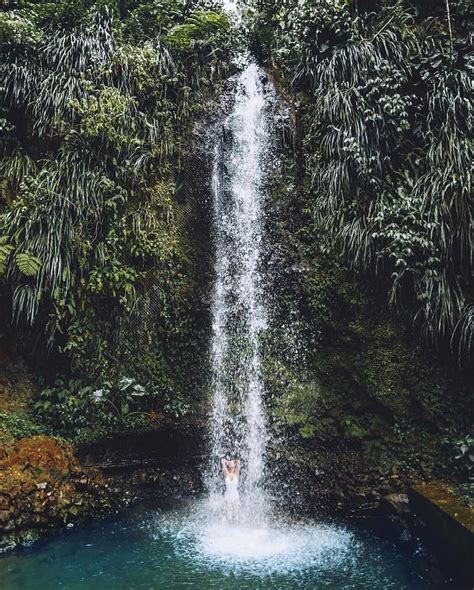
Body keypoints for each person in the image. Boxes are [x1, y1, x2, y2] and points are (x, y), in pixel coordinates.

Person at [221, 457, 241, 521]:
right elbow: (222, 461)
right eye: (230, 462)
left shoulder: (236, 473)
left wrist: (235, 461)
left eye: (232, 462)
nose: (231, 462)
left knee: (236, 517)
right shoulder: (226, 473)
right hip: (228, 497)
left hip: (235, 497)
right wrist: (227, 462)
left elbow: (238, 462)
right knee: (228, 517)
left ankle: (237, 529)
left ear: (234, 465)